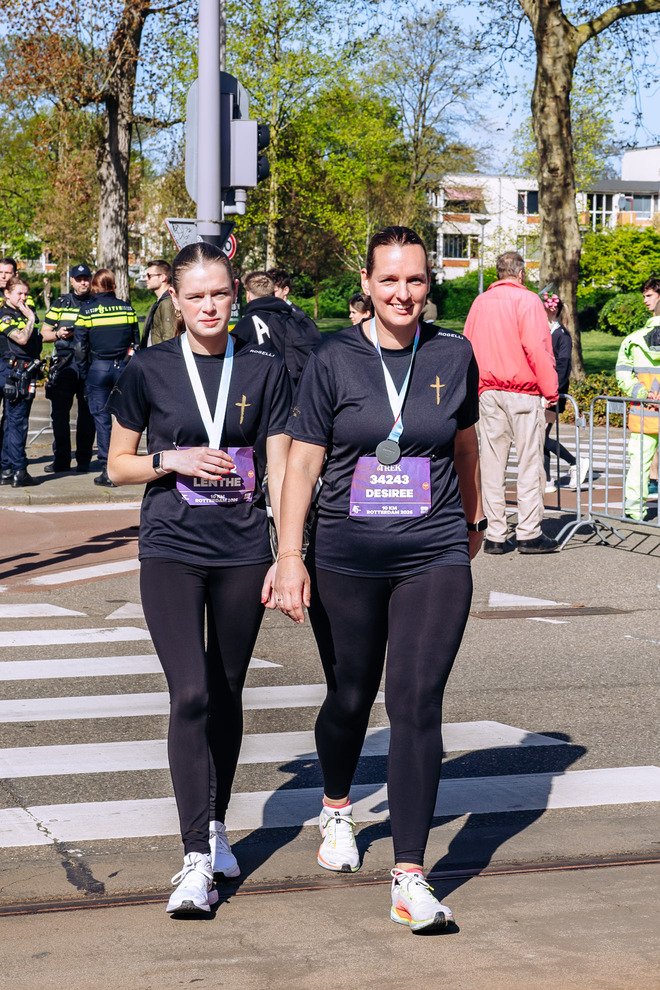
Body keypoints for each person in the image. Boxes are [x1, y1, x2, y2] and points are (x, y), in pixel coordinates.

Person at [273, 225, 483, 933]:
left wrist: (475, 519)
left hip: (434, 550)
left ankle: (410, 876)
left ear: (430, 283)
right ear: (366, 284)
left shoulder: (453, 353)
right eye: (389, 280)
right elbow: (303, 462)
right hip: (346, 555)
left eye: (415, 279)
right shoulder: (333, 358)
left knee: (417, 701)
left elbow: (463, 445)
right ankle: (336, 807)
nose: (403, 293)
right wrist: (290, 557)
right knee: (351, 696)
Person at [107, 242, 291, 917]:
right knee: (190, 692)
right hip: (172, 546)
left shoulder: (265, 369)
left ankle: (214, 824)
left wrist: (288, 552)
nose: (210, 307)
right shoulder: (149, 368)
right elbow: (117, 465)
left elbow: (280, 466)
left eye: (220, 294)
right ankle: (193, 860)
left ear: (235, 294)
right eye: (196, 296)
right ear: (176, 301)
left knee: (226, 689)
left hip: (242, 549)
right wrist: (173, 459)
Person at [464, 250, 559, 554]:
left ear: (497, 273)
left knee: (492, 463)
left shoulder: (480, 303)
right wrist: (551, 392)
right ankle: (529, 532)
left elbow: (467, 346)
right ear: (520, 274)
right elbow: (538, 349)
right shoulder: (528, 300)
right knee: (529, 462)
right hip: (523, 391)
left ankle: (495, 532)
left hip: (488, 391)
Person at [74, 268, 139, 488]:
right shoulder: (127, 308)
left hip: (98, 368)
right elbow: (136, 342)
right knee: (124, 418)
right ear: (113, 285)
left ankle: (107, 468)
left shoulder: (87, 311)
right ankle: (124, 462)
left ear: (94, 285)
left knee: (101, 420)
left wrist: (84, 373)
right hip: (123, 367)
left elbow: (80, 347)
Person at [40, 263, 96, 473]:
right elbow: (44, 333)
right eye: (79, 279)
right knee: (59, 414)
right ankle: (61, 460)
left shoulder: (96, 302)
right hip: (65, 363)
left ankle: (83, 461)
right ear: (72, 281)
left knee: (87, 414)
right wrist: (58, 334)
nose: (83, 283)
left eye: (86, 279)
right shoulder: (61, 303)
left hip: (88, 362)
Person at [615, 275, 660, 521]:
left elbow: (623, 375)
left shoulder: (633, 340)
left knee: (639, 463)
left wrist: (642, 393)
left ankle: (634, 509)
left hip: (645, 411)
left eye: (649, 295)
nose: (644, 300)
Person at [232, 270, 321, 386]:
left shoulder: (246, 323)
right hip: (298, 386)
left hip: (264, 387)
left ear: (248, 295)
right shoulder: (294, 317)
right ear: (272, 292)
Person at [540, 292, 589, 493]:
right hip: (542, 390)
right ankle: (547, 480)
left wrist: (552, 391)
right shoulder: (545, 332)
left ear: (551, 310)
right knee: (541, 437)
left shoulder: (562, 335)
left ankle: (575, 462)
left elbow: (563, 366)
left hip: (554, 392)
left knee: (541, 436)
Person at [0, 275, 42, 487]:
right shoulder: (5, 315)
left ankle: (7, 468)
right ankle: (19, 470)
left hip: (23, 370)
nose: (23, 298)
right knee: (18, 422)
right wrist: (31, 318)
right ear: (7, 294)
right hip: (14, 373)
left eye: (26, 293)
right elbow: (22, 338)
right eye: (19, 293)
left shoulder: (20, 313)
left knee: (11, 422)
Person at [139, 259, 177, 348]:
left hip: (161, 355)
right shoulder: (158, 303)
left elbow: (169, 338)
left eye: (149, 276)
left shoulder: (168, 303)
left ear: (162, 277)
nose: (145, 279)